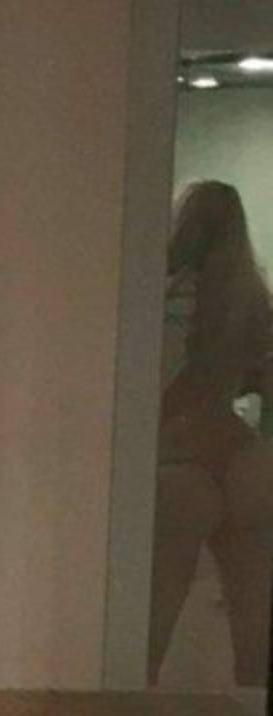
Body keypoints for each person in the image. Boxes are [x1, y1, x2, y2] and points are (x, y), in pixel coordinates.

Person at [149, 180, 273, 687]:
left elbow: (152, 390)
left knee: (147, 640)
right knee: (256, 645)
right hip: (245, 458)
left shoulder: (164, 298)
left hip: (181, 462)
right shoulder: (254, 300)